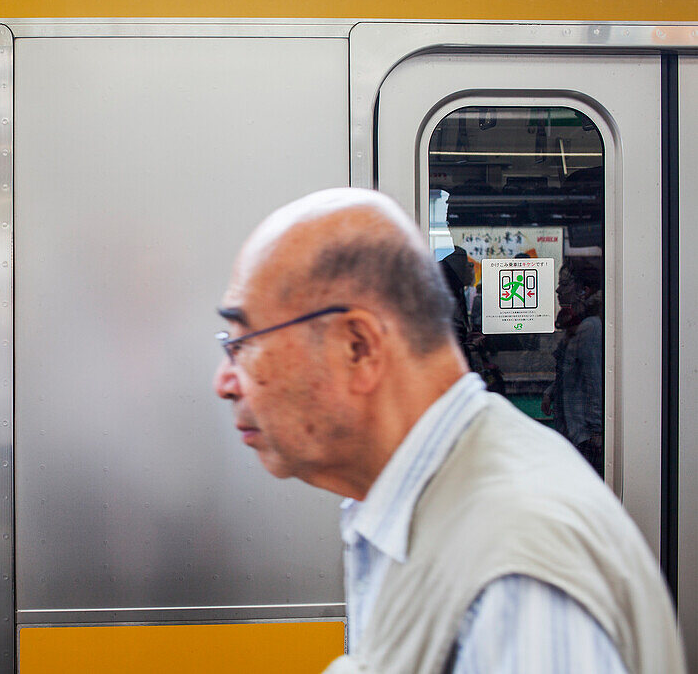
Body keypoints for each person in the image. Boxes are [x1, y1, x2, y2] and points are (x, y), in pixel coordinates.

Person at [212, 188, 683, 673]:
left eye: (245, 344)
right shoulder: (419, 504)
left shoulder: (513, 581)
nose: (224, 383)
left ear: (357, 347)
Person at [543, 261, 604, 473]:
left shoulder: (590, 327)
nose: (558, 290)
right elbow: (571, 374)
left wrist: (597, 430)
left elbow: (594, 380)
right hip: (572, 432)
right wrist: (551, 391)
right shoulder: (578, 325)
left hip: (584, 436)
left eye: (565, 284)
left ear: (583, 290)